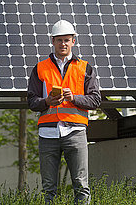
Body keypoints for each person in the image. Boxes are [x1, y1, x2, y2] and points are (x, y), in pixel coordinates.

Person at [27, 20, 101, 204]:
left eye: (67, 40)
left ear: (73, 41)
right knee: (48, 187)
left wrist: (74, 98)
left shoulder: (85, 68)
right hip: (48, 133)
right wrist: (46, 101)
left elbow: (95, 100)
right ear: (53, 41)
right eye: (59, 40)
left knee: (81, 184)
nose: (63, 44)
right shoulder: (40, 68)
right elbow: (31, 101)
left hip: (75, 131)